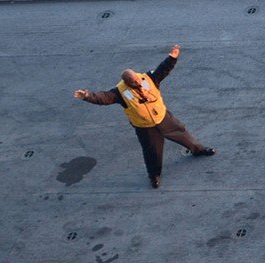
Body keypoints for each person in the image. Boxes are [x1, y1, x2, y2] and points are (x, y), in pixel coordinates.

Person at [74, 44, 215, 188]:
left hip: (163, 117)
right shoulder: (119, 92)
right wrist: (87, 96)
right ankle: (154, 176)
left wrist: (172, 58)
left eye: (137, 79)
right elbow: (102, 97)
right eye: (133, 82)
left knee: (183, 134)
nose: (137, 83)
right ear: (126, 83)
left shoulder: (148, 78)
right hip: (145, 127)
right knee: (152, 152)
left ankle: (198, 150)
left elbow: (163, 70)